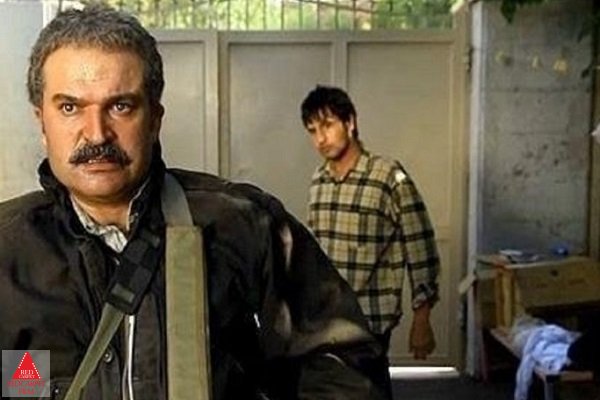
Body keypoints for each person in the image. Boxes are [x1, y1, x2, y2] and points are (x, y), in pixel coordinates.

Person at [0, 6, 389, 400]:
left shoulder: (244, 225)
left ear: (155, 119)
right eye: (70, 107)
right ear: (42, 122)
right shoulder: (8, 248)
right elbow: (18, 383)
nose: (97, 134)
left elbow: (345, 369)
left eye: (121, 106)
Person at [300, 85, 441, 394]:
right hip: (327, 319)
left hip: (370, 320)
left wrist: (422, 317)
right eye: (312, 131)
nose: (320, 138)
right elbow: (315, 250)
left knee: (368, 391)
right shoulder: (319, 181)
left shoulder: (387, 177)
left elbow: (420, 246)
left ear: (350, 122)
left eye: (327, 125)